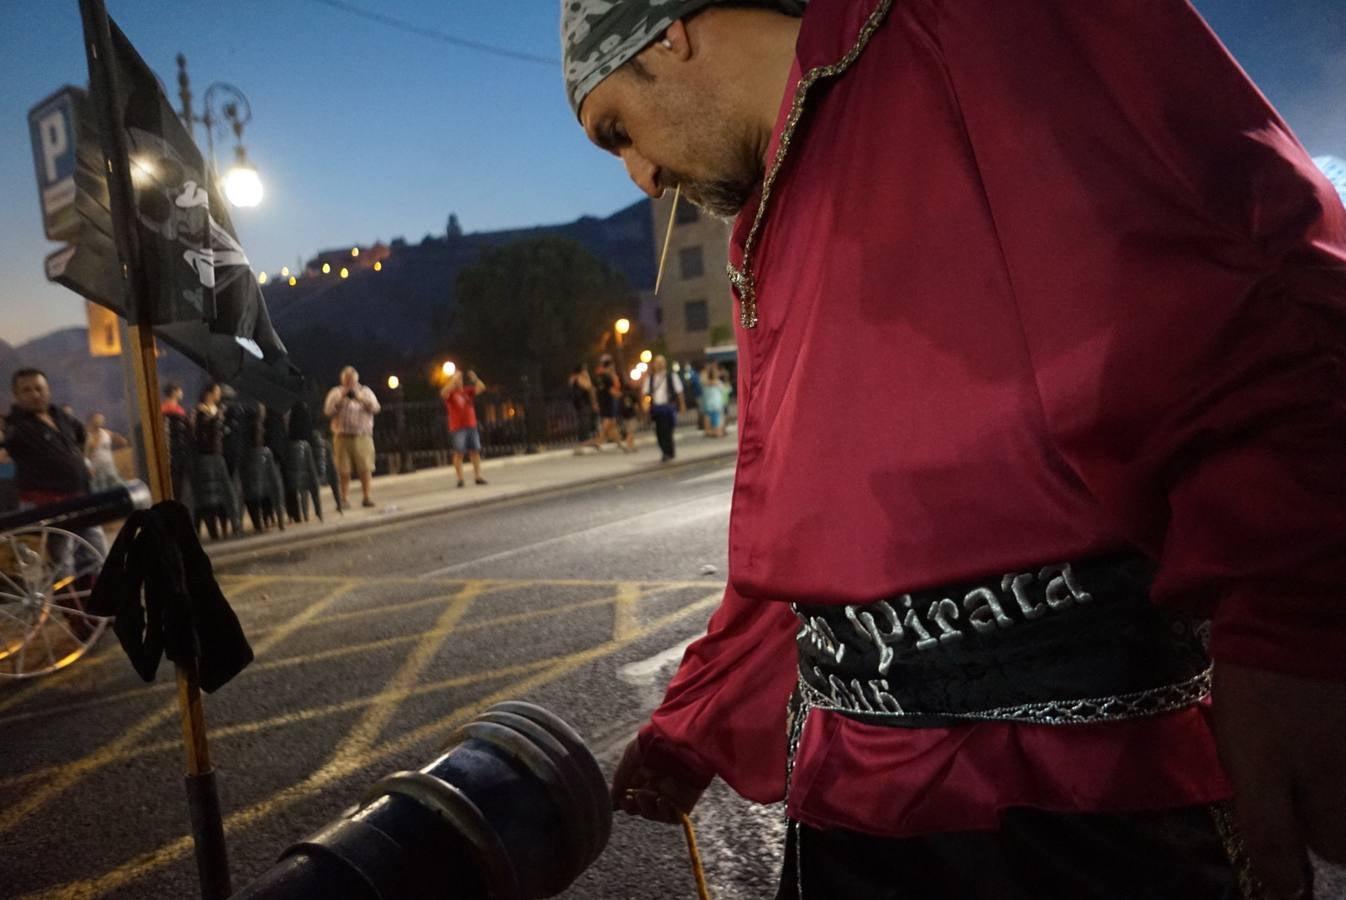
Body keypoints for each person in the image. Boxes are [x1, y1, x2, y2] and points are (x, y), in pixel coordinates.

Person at [562, 2, 1346, 898]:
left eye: (617, 128)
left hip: (1077, 813)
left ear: (670, 30)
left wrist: (1298, 619)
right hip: (854, 814)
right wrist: (690, 726)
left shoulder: (961, 22)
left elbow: (1233, 275)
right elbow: (809, 540)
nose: (641, 175)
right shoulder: (760, 224)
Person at [2, 368, 108, 561]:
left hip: (82, 499)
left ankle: (100, 591)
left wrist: (82, 463)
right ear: (16, 395)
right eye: (26, 390)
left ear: (48, 390)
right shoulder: (14, 426)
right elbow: (6, 438)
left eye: (39, 388)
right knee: (63, 563)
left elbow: (81, 436)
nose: (35, 394)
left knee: (98, 556)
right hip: (48, 507)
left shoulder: (59, 415)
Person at [323, 366, 381, 508]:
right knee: (343, 469)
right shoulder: (336, 392)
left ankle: (366, 497)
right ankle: (344, 499)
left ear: (356, 380)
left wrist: (360, 399)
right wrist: (341, 400)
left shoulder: (365, 392)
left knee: (365, 468)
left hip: (362, 435)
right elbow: (327, 411)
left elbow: (376, 408)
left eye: (351, 381)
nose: (349, 385)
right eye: (347, 381)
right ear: (342, 381)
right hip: (342, 436)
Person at [441, 370, 487, 488]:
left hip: (471, 424)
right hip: (457, 427)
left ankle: (477, 476)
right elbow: (443, 393)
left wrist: (475, 379)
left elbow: (481, 388)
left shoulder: (467, 391)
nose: (459, 381)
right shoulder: (451, 393)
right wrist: (453, 381)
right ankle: (460, 478)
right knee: (459, 453)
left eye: (460, 379)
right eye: (457, 379)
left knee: (475, 451)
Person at [641, 355, 685, 461]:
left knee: (667, 430)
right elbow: (646, 394)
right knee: (659, 431)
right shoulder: (650, 379)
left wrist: (682, 405)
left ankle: (668, 452)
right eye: (657, 362)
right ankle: (667, 451)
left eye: (661, 362)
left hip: (668, 408)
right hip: (656, 408)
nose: (659, 365)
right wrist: (645, 406)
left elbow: (679, 392)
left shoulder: (671, 376)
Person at [83, 413, 128, 492]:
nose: (101, 421)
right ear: (92, 420)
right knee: (102, 493)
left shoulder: (106, 433)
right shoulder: (88, 436)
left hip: (110, 468)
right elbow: (86, 455)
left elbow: (119, 440)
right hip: (97, 471)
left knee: (119, 488)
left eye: (101, 419)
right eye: (98, 419)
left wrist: (121, 441)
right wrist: (89, 468)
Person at [592, 355, 626, 451]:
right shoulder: (608, 377)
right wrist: (621, 395)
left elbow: (593, 389)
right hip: (609, 401)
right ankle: (598, 441)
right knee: (608, 422)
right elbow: (611, 390)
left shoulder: (599, 377)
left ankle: (619, 442)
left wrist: (595, 402)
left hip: (601, 401)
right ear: (610, 366)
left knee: (612, 423)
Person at [569, 364, 603, 454]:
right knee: (584, 420)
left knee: (585, 420)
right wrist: (587, 377)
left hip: (580, 403)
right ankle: (585, 440)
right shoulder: (579, 378)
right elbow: (588, 387)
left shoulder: (573, 379)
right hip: (583, 403)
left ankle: (587, 439)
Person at [700, 366, 728, 438]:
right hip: (716, 405)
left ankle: (713, 432)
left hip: (710, 405)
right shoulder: (718, 382)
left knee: (711, 421)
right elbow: (725, 390)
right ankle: (717, 432)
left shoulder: (705, 383)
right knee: (716, 421)